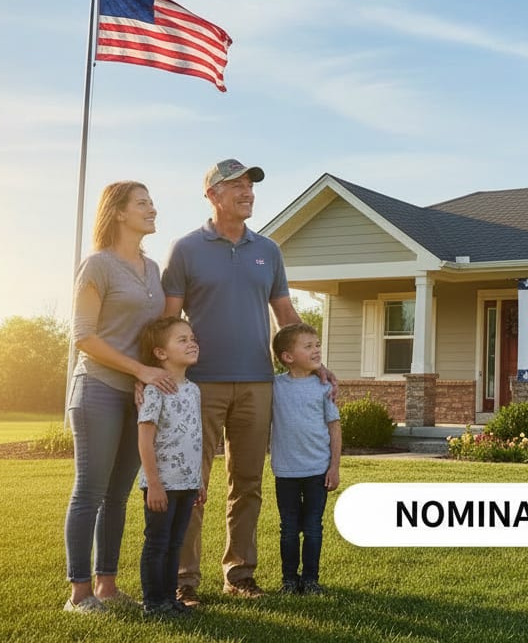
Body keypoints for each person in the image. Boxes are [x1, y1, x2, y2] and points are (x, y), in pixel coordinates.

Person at [160, 159, 334, 603]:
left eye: (250, 186)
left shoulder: (268, 250)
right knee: (190, 483)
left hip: (258, 383)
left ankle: (239, 574)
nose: (247, 192)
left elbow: (286, 316)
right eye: (235, 186)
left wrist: (315, 362)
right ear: (212, 195)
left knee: (248, 483)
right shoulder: (186, 249)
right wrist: (161, 372)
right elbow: (167, 319)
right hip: (201, 384)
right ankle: (184, 580)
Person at [64, 181, 177, 613]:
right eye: (143, 203)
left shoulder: (151, 269)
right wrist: (139, 370)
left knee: (118, 494)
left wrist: (151, 373)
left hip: (137, 395)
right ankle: (79, 593)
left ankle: (107, 586)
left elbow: (152, 334)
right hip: (98, 388)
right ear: (118, 213)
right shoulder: (97, 265)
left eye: (152, 201)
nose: (152, 208)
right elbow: (84, 337)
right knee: (90, 492)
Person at [135, 317, 206, 617]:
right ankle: (154, 602)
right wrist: (153, 483)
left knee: (175, 543)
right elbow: (145, 440)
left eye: (192, 338)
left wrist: (198, 479)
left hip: (187, 483)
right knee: (158, 543)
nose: (192, 343)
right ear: (160, 353)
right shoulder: (155, 389)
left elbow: (195, 438)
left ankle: (169, 598)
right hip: (161, 485)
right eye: (182, 339)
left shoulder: (194, 390)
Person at [269, 323, 341, 595]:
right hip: (286, 471)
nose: (316, 350)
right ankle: (289, 580)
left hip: (317, 471)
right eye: (308, 346)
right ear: (288, 357)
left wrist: (334, 466)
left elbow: (334, 426)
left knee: (312, 527)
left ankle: (310, 580)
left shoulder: (324, 387)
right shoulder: (275, 387)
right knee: (288, 527)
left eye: (317, 345)